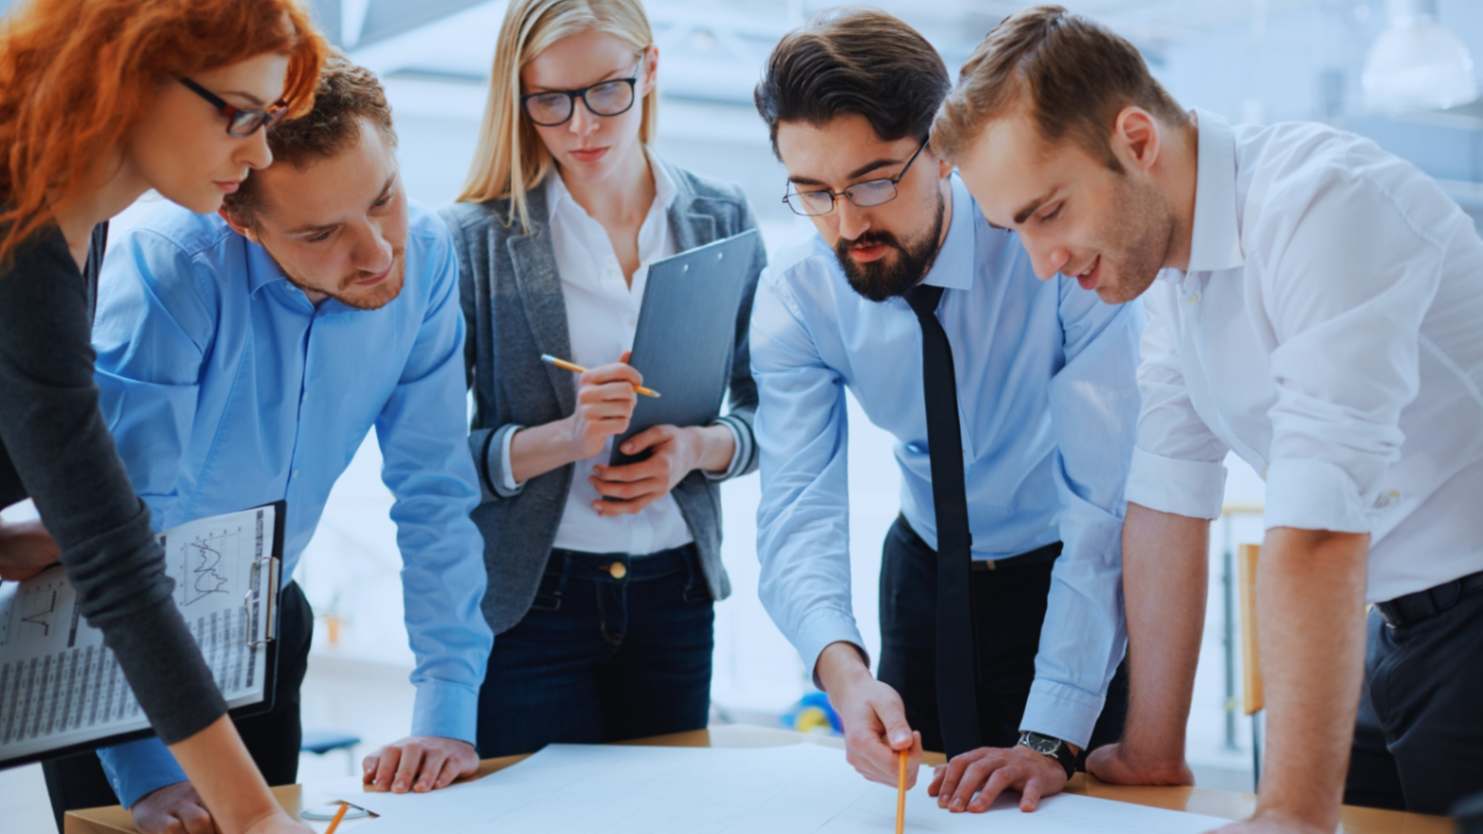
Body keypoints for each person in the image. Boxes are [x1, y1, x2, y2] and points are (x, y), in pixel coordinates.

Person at [934, 4, 1483, 831]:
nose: (1042, 263)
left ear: (1135, 139)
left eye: (1047, 213)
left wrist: (1290, 813)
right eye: (1014, 229)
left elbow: (1320, 522)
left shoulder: (1320, 205)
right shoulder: (1173, 272)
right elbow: (1165, 498)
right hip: (1396, 627)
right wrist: (1151, 746)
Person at [39, 55, 494, 834]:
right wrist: (147, 776)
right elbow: (114, 533)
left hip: (264, 628)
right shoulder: (169, 268)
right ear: (236, 215)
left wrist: (446, 710)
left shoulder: (426, 257)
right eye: (321, 233)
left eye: (382, 199)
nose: (377, 254)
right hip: (113, 662)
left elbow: (435, 491)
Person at [749, 8, 1140, 816]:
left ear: (944, 148)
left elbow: (1104, 502)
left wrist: (1050, 736)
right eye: (814, 192)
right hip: (923, 577)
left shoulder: (1051, 245)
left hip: (1070, 573)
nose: (848, 223)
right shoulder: (798, 296)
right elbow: (797, 508)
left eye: (874, 180)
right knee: (927, 812)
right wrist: (842, 670)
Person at [0, 2, 325, 832]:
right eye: (242, 114)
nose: (257, 152)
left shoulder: (80, 225)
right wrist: (253, 815)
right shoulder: (20, 239)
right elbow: (115, 560)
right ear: (128, 73)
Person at [441, 0, 764, 757]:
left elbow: (771, 412)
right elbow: (429, 461)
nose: (581, 126)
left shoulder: (719, 216)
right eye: (550, 101)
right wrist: (565, 438)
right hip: (532, 603)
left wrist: (696, 450)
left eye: (605, 91)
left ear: (650, 69)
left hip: (677, 594)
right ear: (517, 98)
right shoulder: (474, 240)